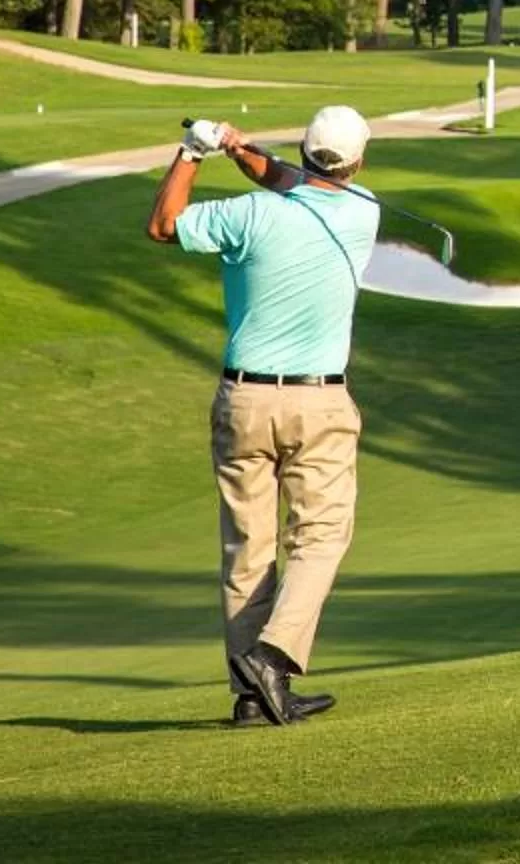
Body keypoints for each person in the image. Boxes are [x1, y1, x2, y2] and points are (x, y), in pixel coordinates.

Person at [145, 105, 381, 727]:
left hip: (243, 400)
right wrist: (242, 151)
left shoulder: (246, 215)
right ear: (358, 161)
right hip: (319, 402)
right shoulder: (364, 213)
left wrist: (197, 152)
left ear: (302, 150)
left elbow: (164, 225)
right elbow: (292, 184)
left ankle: (251, 695)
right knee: (322, 534)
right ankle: (272, 657)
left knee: (247, 548)